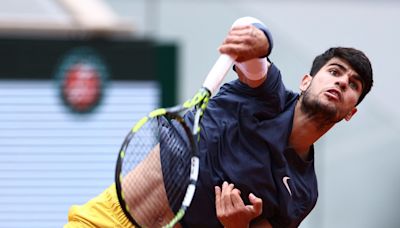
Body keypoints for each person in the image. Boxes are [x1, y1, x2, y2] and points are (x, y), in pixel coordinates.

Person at [65, 18, 373, 228]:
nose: (343, 82)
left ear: (350, 112)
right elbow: (251, 43)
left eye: (354, 84)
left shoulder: (303, 192)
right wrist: (260, 40)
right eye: (334, 71)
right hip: (105, 220)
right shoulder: (266, 95)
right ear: (306, 81)